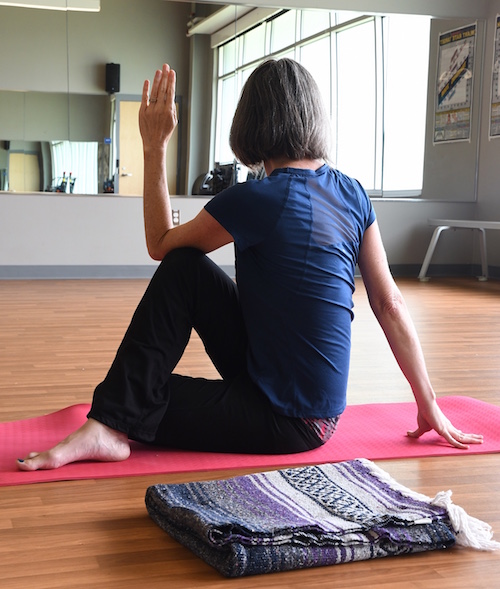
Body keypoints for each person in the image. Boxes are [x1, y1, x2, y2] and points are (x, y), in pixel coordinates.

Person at [18, 59, 482, 471]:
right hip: (303, 401)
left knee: (134, 391)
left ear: (252, 122)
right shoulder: (352, 193)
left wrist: (155, 147)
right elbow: (391, 303)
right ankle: (110, 420)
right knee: (186, 274)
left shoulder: (256, 198)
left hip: (289, 423)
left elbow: (159, 243)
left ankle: (108, 427)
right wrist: (428, 404)